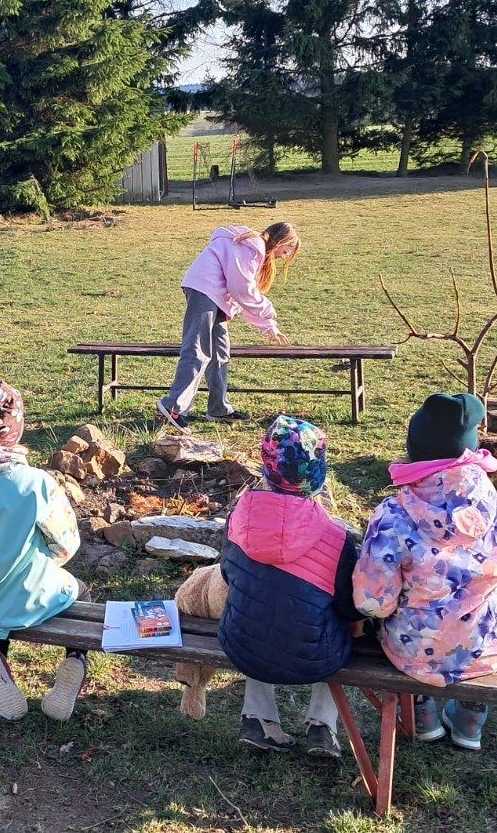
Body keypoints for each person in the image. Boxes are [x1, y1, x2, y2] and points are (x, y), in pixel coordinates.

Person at [354, 393, 497, 751]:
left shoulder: (393, 516)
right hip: (484, 646)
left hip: (414, 651)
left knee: (404, 633)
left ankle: (421, 714)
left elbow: (373, 602)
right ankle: (470, 721)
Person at [216, 415, 361, 759]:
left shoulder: (239, 518)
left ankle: (258, 718)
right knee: (336, 622)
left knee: (259, 609)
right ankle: (322, 726)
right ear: (318, 472)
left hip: (241, 645)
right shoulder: (336, 537)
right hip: (315, 658)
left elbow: (227, 574)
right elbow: (349, 606)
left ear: (267, 465)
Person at [0, 382, 88, 722]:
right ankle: (75, 659)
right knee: (80, 590)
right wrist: (48, 560)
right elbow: (66, 543)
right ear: (18, 426)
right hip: (29, 597)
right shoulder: (37, 483)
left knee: (0, 593)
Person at [157, 222, 299, 432]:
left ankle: (218, 408)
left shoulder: (252, 248)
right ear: (281, 242)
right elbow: (242, 290)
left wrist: (269, 326)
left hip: (214, 296)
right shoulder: (252, 247)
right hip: (204, 290)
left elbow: (242, 293)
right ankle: (173, 406)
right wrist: (268, 313)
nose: (284, 256)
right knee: (197, 349)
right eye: (286, 251)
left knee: (220, 353)